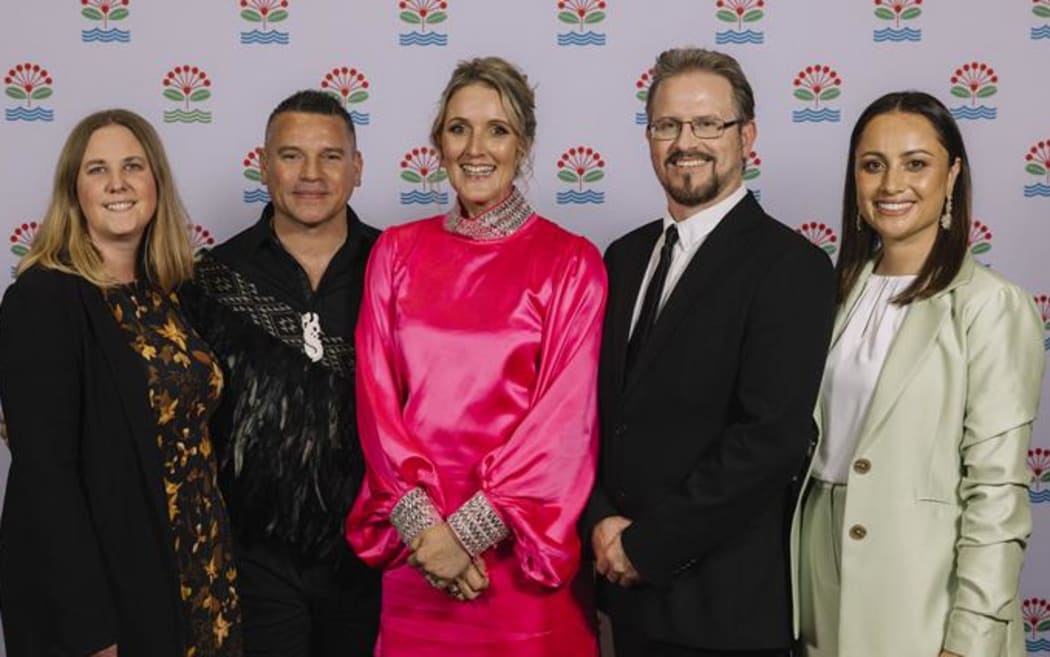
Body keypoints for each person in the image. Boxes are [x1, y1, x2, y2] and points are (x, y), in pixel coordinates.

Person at [346, 56, 606, 657]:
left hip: (518, 559)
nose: (475, 147)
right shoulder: (395, 253)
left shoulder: (572, 263)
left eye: (498, 129)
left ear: (525, 144)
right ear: (438, 142)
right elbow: (376, 403)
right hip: (416, 554)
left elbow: (565, 428)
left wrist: (463, 536)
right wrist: (426, 532)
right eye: (459, 128)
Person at [581, 47, 837, 657]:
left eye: (707, 124)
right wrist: (600, 522)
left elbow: (768, 440)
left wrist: (647, 547)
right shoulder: (623, 255)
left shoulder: (791, 266)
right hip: (625, 597)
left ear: (746, 135)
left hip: (723, 615)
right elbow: (591, 413)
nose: (684, 142)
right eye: (667, 125)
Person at [794, 91, 1045, 657]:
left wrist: (971, 639)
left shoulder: (990, 306)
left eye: (916, 163)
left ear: (952, 174)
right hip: (816, 579)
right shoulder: (827, 297)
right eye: (872, 165)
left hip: (925, 590)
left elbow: (997, 492)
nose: (891, 185)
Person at [0, 109, 242, 657]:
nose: (117, 183)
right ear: (73, 190)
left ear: (155, 182)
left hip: (196, 572)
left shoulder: (167, 295)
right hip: (113, 590)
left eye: (133, 166)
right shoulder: (45, 299)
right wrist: (89, 629)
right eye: (97, 169)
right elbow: (46, 478)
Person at [181, 90, 381, 657]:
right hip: (252, 559)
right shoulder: (210, 280)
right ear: (263, 166)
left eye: (331, 156)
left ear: (358, 168)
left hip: (374, 555)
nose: (311, 175)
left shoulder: (398, 267)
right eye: (291, 156)